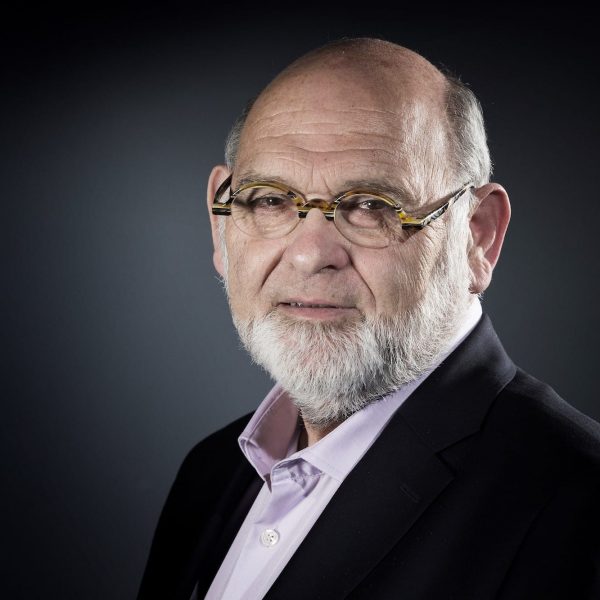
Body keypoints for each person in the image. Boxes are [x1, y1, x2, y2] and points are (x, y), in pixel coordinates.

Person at [137, 38, 600, 599]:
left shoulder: (578, 509)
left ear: (479, 236)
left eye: (371, 206)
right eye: (269, 200)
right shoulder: (210, 474)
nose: (310, 254)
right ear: (220, 224)